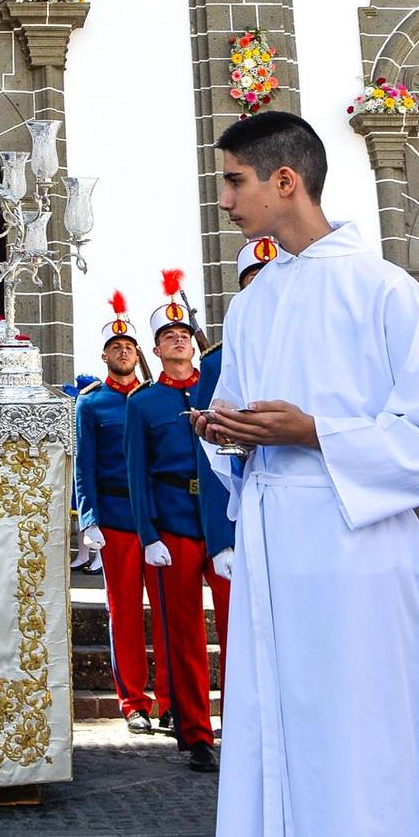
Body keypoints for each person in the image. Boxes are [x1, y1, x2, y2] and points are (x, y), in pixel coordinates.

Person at [194, 111, 419, 837]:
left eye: (234, 181)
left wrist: (316, 432)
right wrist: (225, 432)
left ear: (286, 181)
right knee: (278, 733)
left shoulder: (384, 290)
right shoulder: (252, 302)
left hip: (356, 551)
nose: (225, 200)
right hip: (276, 544)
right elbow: (238, 415)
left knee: (358, 738)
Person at [123, 271, 222, 774]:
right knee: (181, 634)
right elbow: (136, 473)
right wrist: (147, 535)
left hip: (221, 525)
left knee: (236, 630)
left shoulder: (221, 385)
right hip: (175, 525)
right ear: (157, 350)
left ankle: (246, 727)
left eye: (183, 334)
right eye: (168, 337)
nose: (179, 340)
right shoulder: (143, 404)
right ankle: (197, 733)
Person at [74, 293, 168, 735]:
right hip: (115, 517)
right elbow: (84, 464)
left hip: (159, 517)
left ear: (139, 353)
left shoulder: (154, 399)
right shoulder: (91, 404)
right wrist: (88, 518)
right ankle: (133, 701)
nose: (123, 351)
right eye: (115, 347)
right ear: (105, 356)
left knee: (166, 612)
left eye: (129, 346)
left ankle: (169, 698)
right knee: (124, 612)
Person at [191, 236, 278, 683]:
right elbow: (213, 454)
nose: (264, 289)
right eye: (253, 281)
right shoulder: (218, 362)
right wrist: (221, 539)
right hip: (249, 509)